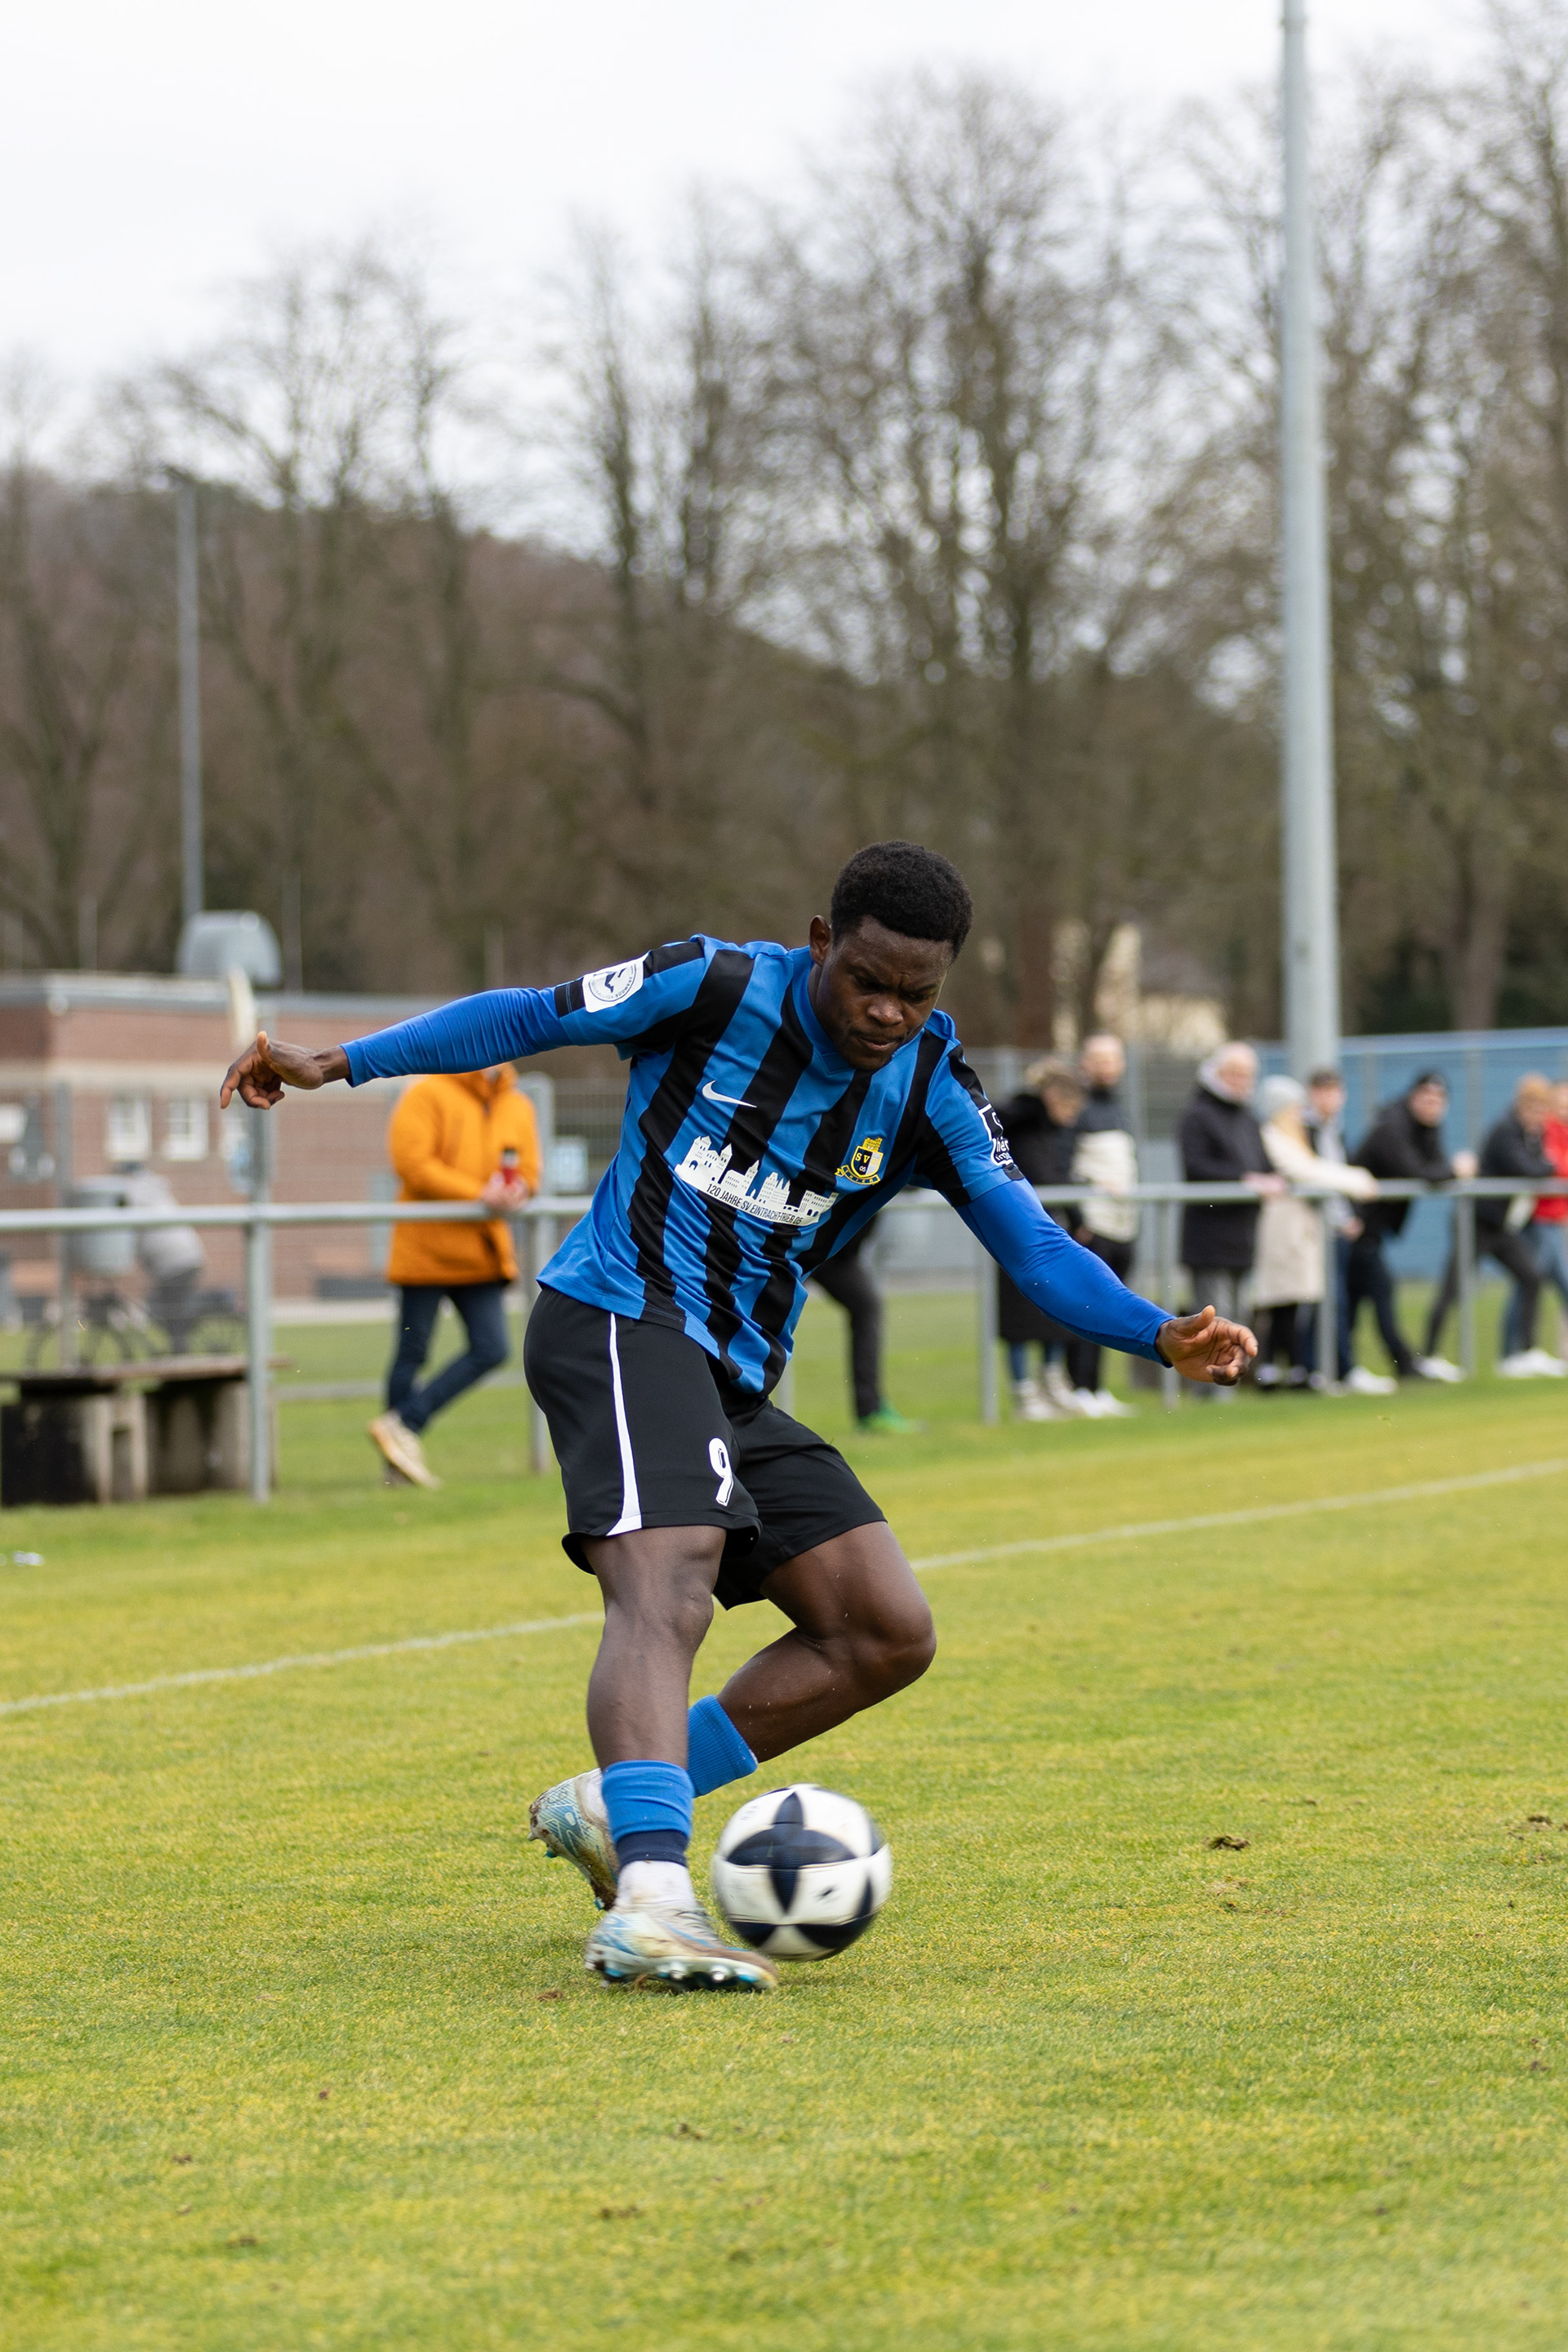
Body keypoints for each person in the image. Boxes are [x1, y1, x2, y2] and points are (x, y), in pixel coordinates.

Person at [221, 840, 1254, 1995]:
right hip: (612, 1316)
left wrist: (1156, 1332)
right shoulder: (708, 985)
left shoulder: (933, 1088)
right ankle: (653, 1902)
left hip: (732, 1372)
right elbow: (525, 1019)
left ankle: (621, 1805)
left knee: (882, 1629)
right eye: (868, 978)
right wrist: (338, 1063)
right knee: (670, 1579)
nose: (887, 1010)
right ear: (822, 942)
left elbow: (1035, 1246)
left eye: (918, 993)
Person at [366, 1064, 541, 1489]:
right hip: (425, 1249)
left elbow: (530, 1172)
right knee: (413, 1350)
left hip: (480, 1252)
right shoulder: (427, 1094)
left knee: (492, 1347)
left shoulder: (517, 1105)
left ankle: (404, 1423)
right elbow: (412, 1163)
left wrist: (519, 1190)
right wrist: (479, 1193)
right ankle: (398, 1469)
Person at [1424, 1074, 1557, 1378]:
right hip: (1476, 1222)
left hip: (1500, 1226)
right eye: (1534, 1108)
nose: (1538, 1116)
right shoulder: (1505, 1130)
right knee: (1453, 1287)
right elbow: (1528, 1168)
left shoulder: (1531, 1134)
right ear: (1522, 1105)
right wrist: (1549, 1166)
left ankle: (1524, 1352)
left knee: (1531, 1277)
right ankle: (1428, 1355)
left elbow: (1540, 1165)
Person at [1251, 1076, 1379, 1390]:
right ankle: (1275, 1372)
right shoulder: (1272, 1135)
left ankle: (1299, 1371)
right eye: (1294, 1109)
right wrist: (1355, 1180)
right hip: (1281, 1234)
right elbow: (1305, 1171)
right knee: (1279, 1302)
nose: (1299, 1115)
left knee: (1296, 1302)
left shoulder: (1292, 1137)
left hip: (1299, 1234)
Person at [1352, 1072, 1476, 1381]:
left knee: (1353, 1298)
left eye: (1439, 1100)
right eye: (1427, 1098)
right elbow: (1416, 1170)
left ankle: (1344, 1367)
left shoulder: (1426, 1128)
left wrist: (1447, 1168)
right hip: (1355, 1222)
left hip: (1371, 1226)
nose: (1433, 1106)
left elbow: (1433, 1165)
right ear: (1413, 1097)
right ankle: (1402, 1365)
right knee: (1378, 1291)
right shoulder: (1392, 1126)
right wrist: (1455, 1169)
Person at [1179, 1044, 1284, 1392]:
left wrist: (1269, 1179)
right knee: (1213, 1319)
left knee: (1239, 1315)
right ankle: (1207, 1391)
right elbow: (1196, 1167)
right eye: (1235, 1073)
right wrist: (1244, 1180)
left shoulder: (1248, 1118)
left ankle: (1230, 1388)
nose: (1242, 1082)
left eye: (1247, 1075)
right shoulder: (1197, 1116)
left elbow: (1265, 1164)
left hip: (1243, 1235)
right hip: (1209, 1238)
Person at [994, 1057, 1085, 1421]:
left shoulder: (1055, 1133)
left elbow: (1057, 1175)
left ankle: (1053, 1382)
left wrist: (1077, 1215)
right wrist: (1035, 1097)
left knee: (1058, 1305)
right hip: (1014, 1227)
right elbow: (1005, 1115)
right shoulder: (1023, 1118)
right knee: (1018, 1315)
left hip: (1051, 1226)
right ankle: (1024, 1392)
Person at [1064, 1033, 1138, 1419]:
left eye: (1113, 1060)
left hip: (1123, 1223)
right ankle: (1078, 1386)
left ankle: (1097, 1386)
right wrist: (1080, 1220)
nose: (1106, 1067)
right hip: (1093, 1225)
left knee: (1112, 1306)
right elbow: (1067, 1167)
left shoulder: (1121, 1110)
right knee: (1088, 1304)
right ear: (1085, 1064)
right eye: (1099, 1059)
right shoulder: (1078, 1109)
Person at [808, 1214, 920, 1433]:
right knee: (763, 1312)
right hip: (797, 1242)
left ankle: (871, 1411)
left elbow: (912, 1184)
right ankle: (737, 1405)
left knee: (866, 1307)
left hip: (836, 1255)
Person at [1502, 1076, 1568, 1363]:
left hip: (1556, 1221)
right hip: (1540, 1221)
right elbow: (1552, 1168)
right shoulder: (1544, 1130)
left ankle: (1518, 1352)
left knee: (1531, 1283)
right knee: (1531, 1282)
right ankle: (1514, 1352)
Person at [115, 1164, 209, 1351]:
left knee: (167, 1309)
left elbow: (125, 1219)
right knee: (168, 1308)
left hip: (174, 1262)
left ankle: (180, 1350)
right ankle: (179, 1346)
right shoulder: (154, 1191)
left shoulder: (136, 1193)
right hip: (185, 1257)